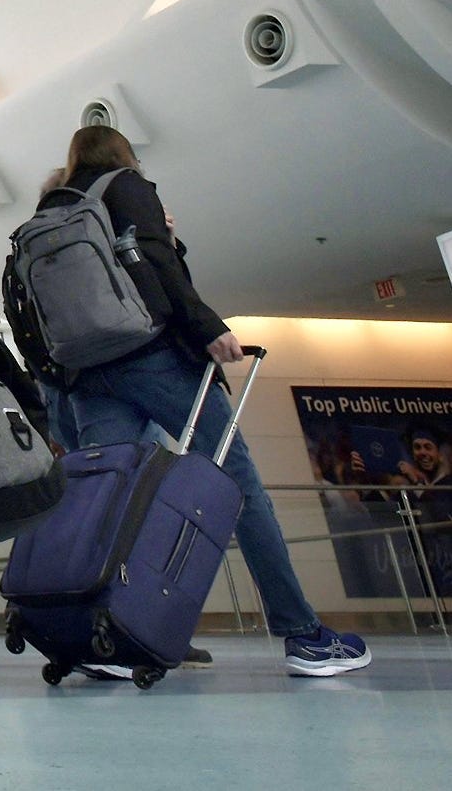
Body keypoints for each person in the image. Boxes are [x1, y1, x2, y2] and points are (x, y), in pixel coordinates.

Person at [22, 124, 372, 678]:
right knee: (235, 485)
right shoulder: (127, 184)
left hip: (88, 376)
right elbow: (157, 265)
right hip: (154, 358)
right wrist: (208, 325)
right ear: (123, 154)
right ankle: (302, 634)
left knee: (111, 503)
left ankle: (106, 635)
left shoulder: (54, 206)